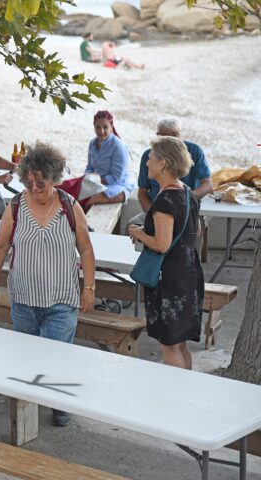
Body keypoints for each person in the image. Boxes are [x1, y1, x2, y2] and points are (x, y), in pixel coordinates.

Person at [0, 143, 96, 427]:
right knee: (26, 355)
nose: (34, 187)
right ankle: (28, 404)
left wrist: (89, 288)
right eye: (29, 182)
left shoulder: (70, 207)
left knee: (57, 355)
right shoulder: (15, 207)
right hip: (24, 298)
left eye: (41, 182)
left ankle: (59, 403)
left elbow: (85, 250)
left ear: (54, 178)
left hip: (62, 298)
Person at [128, 136, 203, 369]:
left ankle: (174, 390)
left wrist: (138, 233)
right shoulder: (188, 193)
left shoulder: (164, 200)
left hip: (168, 281)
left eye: (150, 158)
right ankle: (185, 386)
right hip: (189, 275)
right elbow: (196, 232)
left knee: (169, 346)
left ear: (162, 163)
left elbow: (162, 245)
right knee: (181, 344)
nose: (146, 163)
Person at [137, 117, 213, 212]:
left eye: (166, 138)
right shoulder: (149, 155)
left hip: (187, 207)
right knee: (133, 222)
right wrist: (152, 213)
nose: (148, 163)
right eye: (160, 136)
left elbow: (207, 185)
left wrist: (185, 201)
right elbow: (142, 193)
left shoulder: (194, 151)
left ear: (177, 136)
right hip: (156, 208)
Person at [84, 110, 135, 206]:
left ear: (111, 127)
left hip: (117, 186)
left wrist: (94, 180)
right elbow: (89, 167)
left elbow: (116, 177)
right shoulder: (92, 143)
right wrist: (86, 179)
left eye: (105, 127)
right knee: (73, 196)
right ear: (94, 127)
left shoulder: (118, 146)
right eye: (98, 127)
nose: (101, 131)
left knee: (86, 201)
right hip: (96, 183)